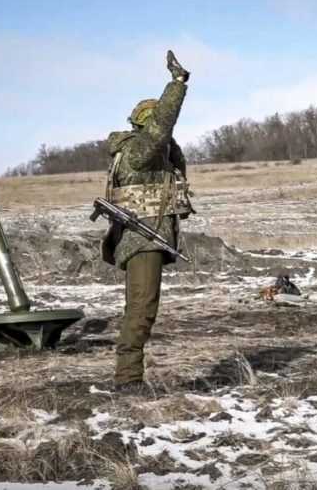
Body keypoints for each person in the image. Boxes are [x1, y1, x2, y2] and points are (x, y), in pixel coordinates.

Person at [101, 50, 193, 393]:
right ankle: (128, 380)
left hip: (147, 239)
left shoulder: (147, 154)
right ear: (146, 125)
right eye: (157, 125)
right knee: (142, 308)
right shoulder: (141, 152)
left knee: (140, 307)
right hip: (143, 240)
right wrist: (176, 84)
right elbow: (161, 127)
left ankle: (129, 377)